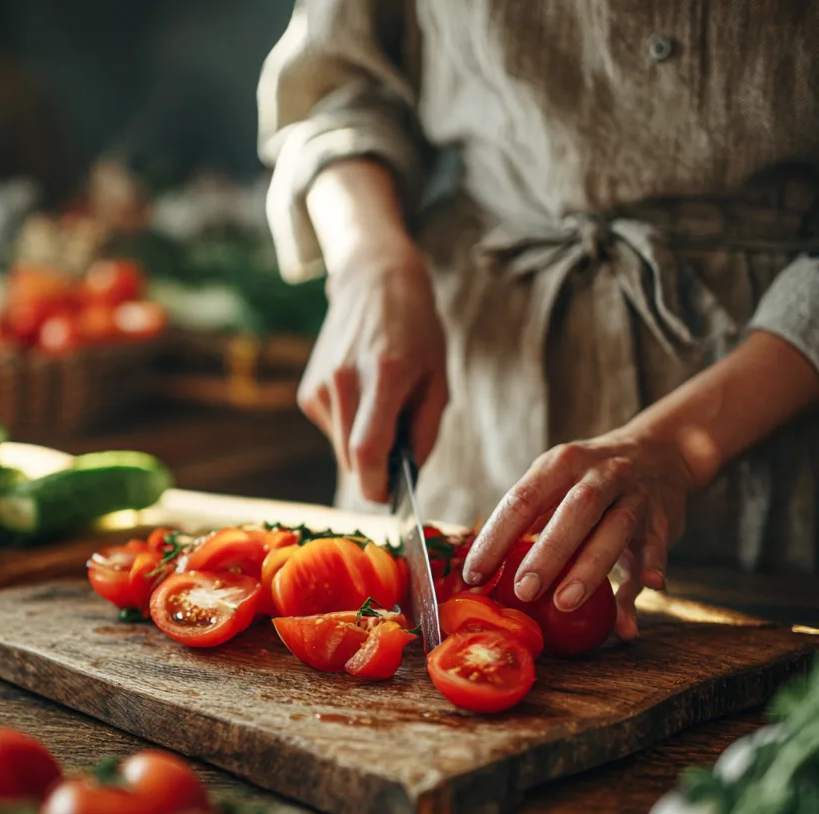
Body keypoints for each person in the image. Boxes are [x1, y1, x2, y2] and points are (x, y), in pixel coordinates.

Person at [257, 0, 819, 639]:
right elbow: (334, 90)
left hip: (778, 414)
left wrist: (683, 449)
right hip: (470, 382)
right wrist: (370, 261)